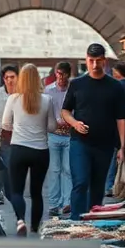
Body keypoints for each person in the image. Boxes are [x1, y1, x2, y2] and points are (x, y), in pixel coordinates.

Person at [62, 44, 125, 220]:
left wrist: (122, 147)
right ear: (86, 60)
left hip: (105, 144)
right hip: (80, 142)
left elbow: (121, 118)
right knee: (81, 182)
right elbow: (65, 111)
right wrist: (75, 123)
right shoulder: (77, 84)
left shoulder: (115, 86)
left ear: (104, 61)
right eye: (91, 61)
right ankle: (76, 221)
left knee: (98, 186)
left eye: (98, 61)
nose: (94, 65)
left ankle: (93, 220)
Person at [2, 64, 59, 235]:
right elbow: (52, 126)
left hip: (18, 148)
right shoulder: (47, 100)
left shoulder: (13, 99)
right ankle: (35, 226)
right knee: (36, 192)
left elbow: (5, 124)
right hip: (40, 151)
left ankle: (20, 221)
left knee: (16, 190)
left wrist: (18, 127)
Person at [43, 62, 74, 216]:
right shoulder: (48, 90)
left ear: (68, 74)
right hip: (53, 134)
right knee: (54, 170)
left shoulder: (73, 89)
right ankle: (54, 204)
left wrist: (71, 121)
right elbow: (45, 112)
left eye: (63, 74)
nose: (61, 77)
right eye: (58, 74)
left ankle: (67, 202)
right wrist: (56, 122)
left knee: (68, 170)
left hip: (70, 135)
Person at [0, 65, 19, 206]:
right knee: (5, 164)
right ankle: (1, 192)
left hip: (19, 135)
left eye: (12, 77)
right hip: (3, 134)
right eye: (7, 77)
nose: (10, 80)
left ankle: (7, 191)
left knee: (14, 165)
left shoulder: (21, 94)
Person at [105, 62, 125, 195]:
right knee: (121, 153)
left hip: (118, 122)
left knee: (114, 154)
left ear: (117, 72)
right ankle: (118, 183)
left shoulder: (118, 85)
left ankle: (111, 184)